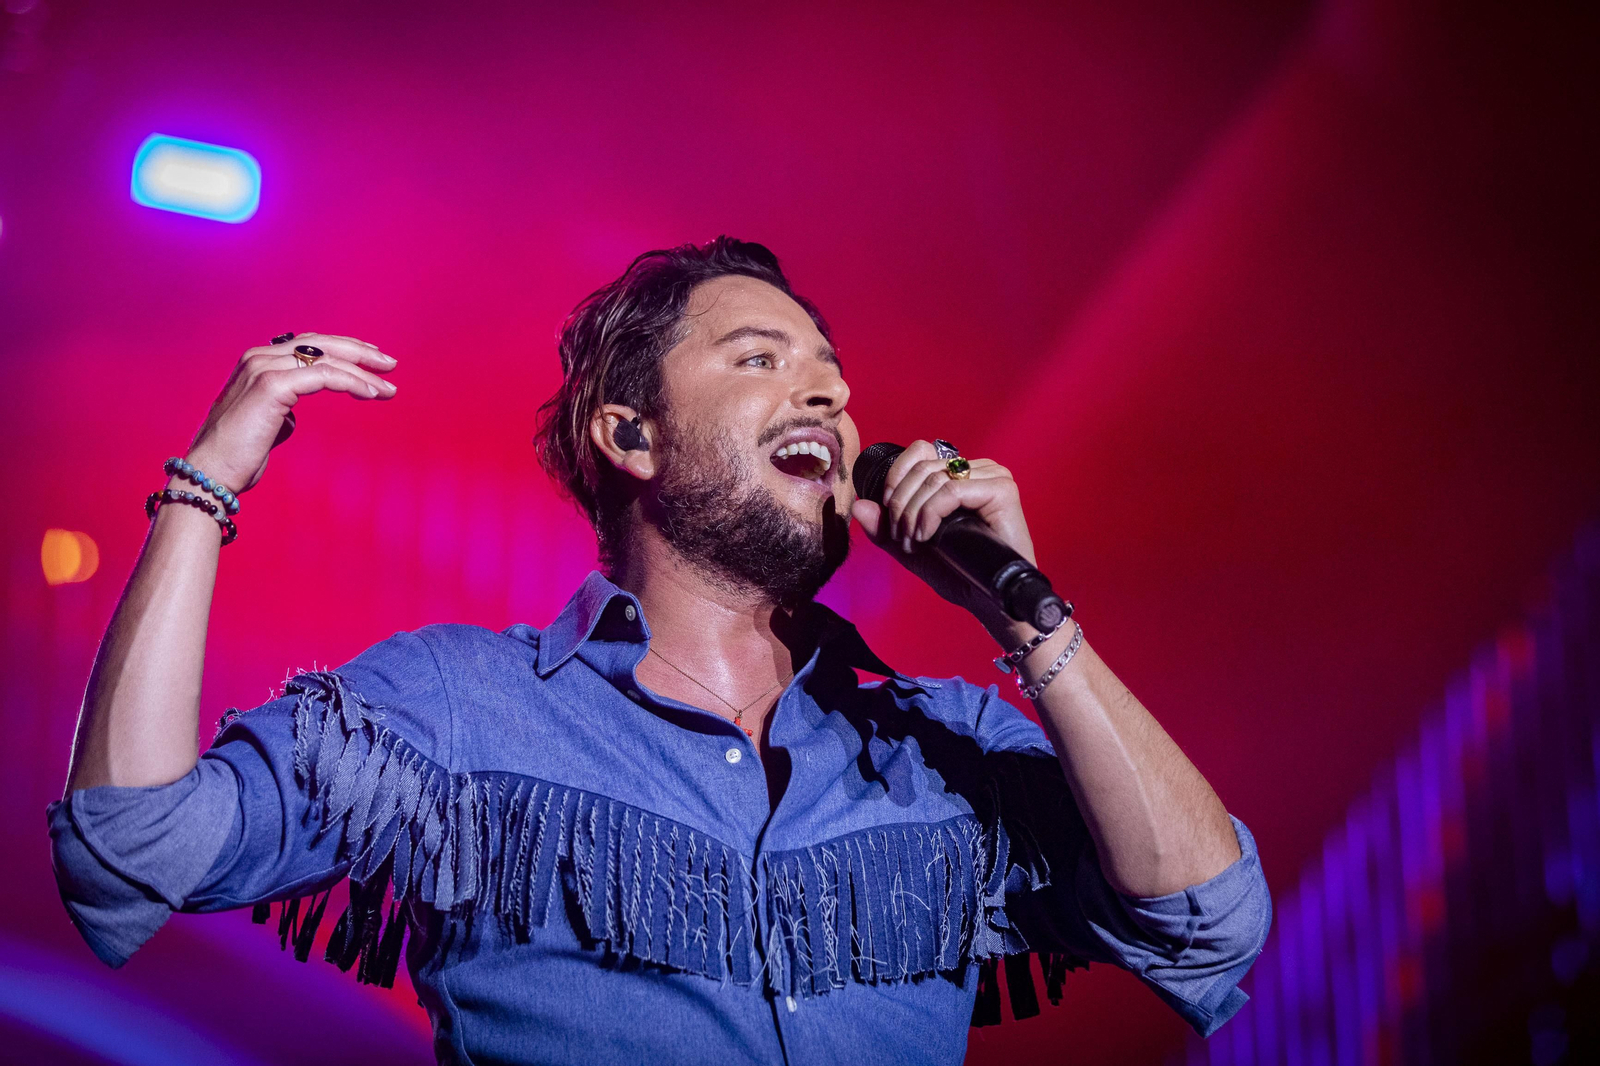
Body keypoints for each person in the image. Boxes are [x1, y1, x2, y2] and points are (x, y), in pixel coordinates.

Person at [48, 237, 1270, 1065]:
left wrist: (1027, 617)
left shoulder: (939, 743)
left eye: (835, 382)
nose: (828, 402)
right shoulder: (460, 709)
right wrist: (204, 485)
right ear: (630, 433)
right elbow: (130, 848)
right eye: (762, 362)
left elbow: (1206, 921)